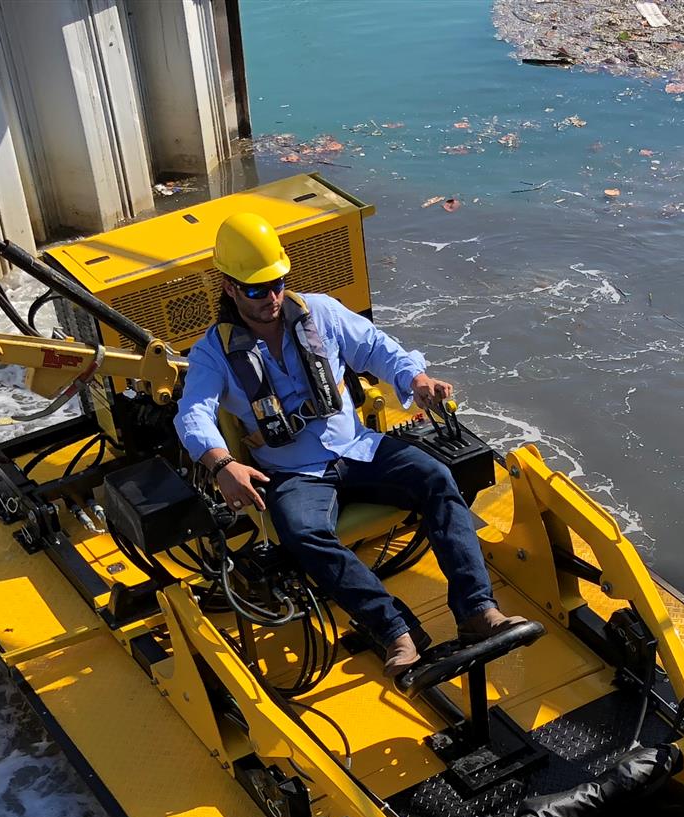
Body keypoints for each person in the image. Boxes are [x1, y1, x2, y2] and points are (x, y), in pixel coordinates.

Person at [175, 209, 528, 681]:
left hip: (359, 449)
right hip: (296, 474)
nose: (272, 297)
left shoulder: (319, 312)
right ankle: (395, 631)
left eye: (278, 282)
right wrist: (222, 464)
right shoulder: (212, 352)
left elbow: (378, 348)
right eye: (257, 290)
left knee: (437, 479)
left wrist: (415, 378)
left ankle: (476, 611)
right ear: (230, 288)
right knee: (303, 534)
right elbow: (193, 411)